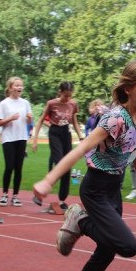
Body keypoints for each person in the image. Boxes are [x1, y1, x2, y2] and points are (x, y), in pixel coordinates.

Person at [33, 59, 136, 271]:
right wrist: (49, 180)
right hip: (95, 187)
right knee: (127, 246)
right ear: (128, 89)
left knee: (107, 248)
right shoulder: (115, 119)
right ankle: (80, 220)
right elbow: (82, 148)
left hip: (114, 187)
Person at [30, 81, 83, 209]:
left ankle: (61, 200)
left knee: (67, 167)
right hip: (54, 132)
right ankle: (40, 191)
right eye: (65, 96)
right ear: (60, 92)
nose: (68, 99)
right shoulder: (51, 103)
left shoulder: (73, 104)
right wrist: (35, 140)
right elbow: (41, 120)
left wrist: (81, 137)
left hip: (66, 133)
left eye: (70, 96)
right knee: (59, 163)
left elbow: (75, 122)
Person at [0, 76, 32, 207]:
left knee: (18, 168)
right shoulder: (4, 104)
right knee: (9, 166)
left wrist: (29, 118)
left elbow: (29, 122)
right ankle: (4, 194)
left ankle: (15, 196)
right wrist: (10, 118)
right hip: (9, 138)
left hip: (21, 137)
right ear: (10, 88)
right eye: (17, 85)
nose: (19, 88)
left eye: (21, 85)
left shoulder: (25, 103)